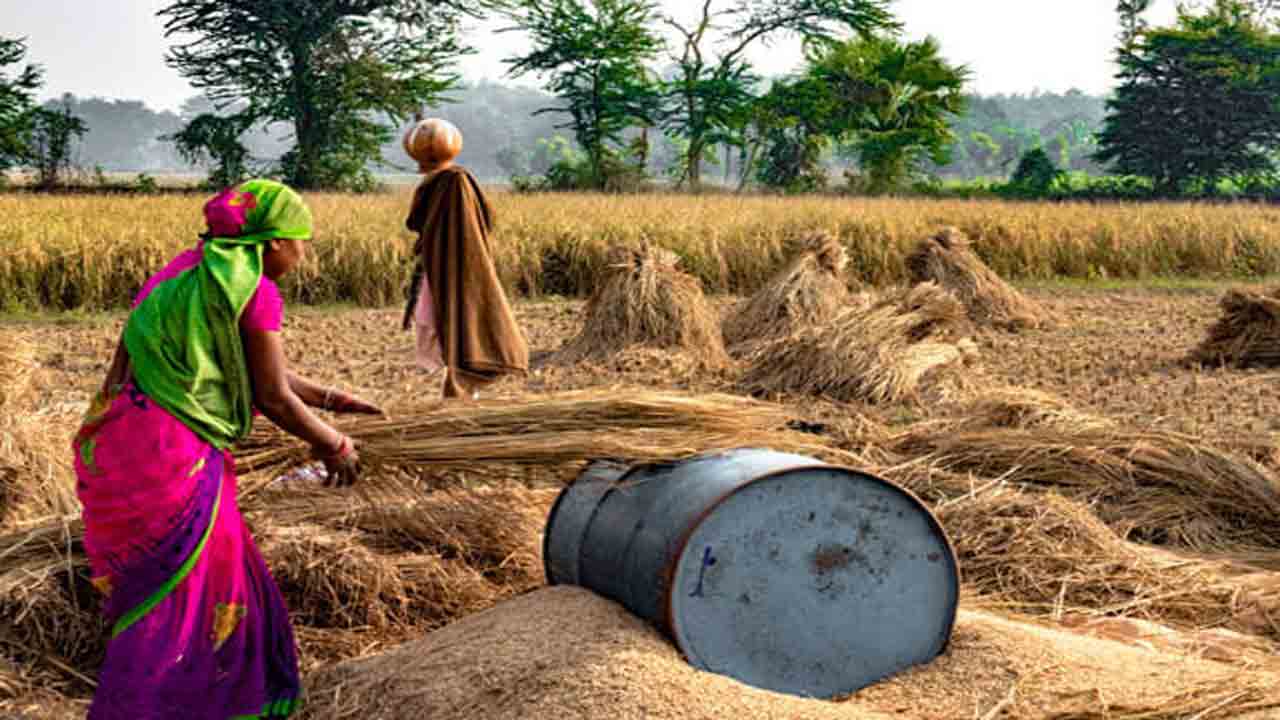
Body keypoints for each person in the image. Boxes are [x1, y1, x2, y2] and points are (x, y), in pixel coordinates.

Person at [72, 179, 381, 719]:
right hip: (179, 454)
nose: (303, 253)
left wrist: (336, 399)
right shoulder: (254, 289)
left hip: (125, 444)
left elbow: (268, 374)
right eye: (298, 240)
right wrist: (334, 444)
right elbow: (274, 396)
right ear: (270, 242)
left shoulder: (185, 273)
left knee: (160, 586)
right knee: (192, 593)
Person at [401, 117, 529, 400]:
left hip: (456, 268)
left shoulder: (453, 184)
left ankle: (462, 392)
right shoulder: (449, 184)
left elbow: (444, 230)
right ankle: (460, 393)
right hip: (444, 268)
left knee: (461, 324)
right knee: (452, 325)